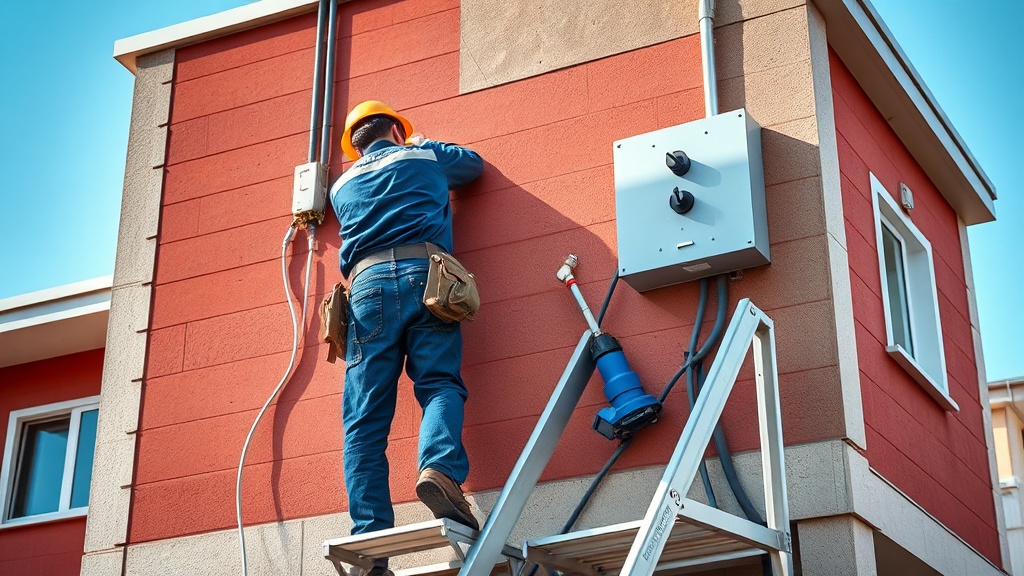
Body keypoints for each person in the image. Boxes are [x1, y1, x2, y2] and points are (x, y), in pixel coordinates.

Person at [328, 101, 484, 553]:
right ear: (396, 130)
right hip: (427, 276)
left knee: (364, 418)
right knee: (438, 383)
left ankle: (369, 533)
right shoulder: (424, 155)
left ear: (354, 145)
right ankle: (438, 470)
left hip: (366, 288)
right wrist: (422, 144)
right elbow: (472, 166)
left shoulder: (342, 185)